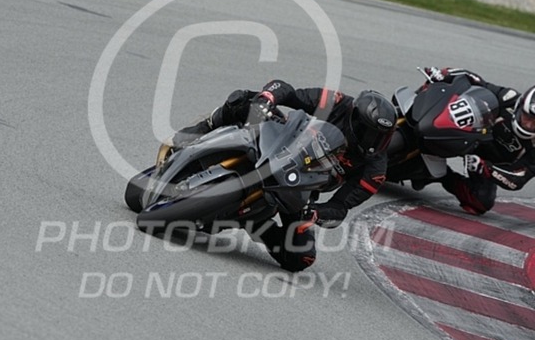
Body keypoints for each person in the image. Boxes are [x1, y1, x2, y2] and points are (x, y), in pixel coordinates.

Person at [171, 80, 397, 272]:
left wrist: (317, 213)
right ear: (354, 118)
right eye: (369, 132)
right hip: (283, 140)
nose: (373, 142)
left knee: (301, 258)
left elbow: (340, 207)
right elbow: (289, 92)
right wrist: (268, 98)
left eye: (381, 137)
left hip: (301, 187)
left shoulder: (375, 171)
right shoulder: (338, 103)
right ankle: (204, 128)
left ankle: (255, 223)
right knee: (244, 100)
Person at [418, 67, 535, 215]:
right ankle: (413, 114)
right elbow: (476, 81)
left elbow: (518, 178)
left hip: (484, 161)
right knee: (441, 96)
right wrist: (446, 75)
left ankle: (436, 175)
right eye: (527, 117)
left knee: (481, 201)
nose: (529, 125)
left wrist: (487, 169)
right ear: (520, 106)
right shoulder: (509, 98)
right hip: (471, 133)